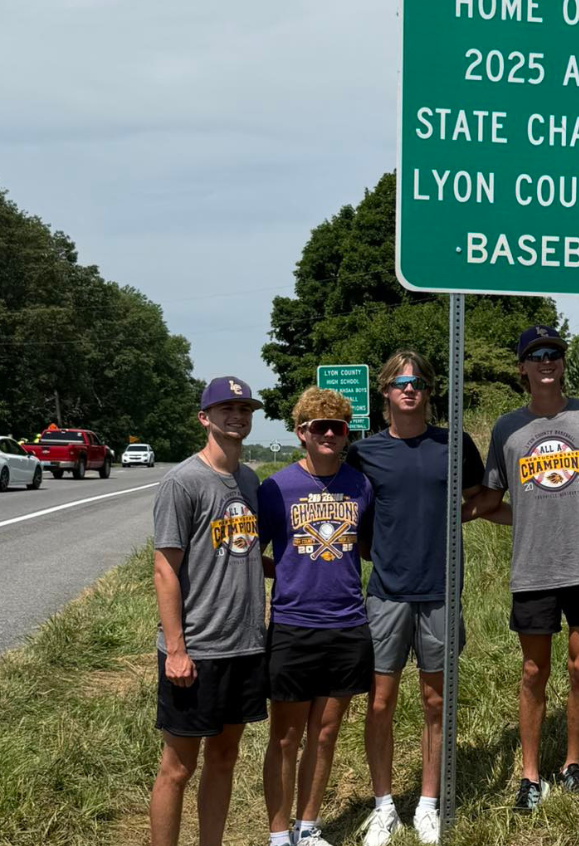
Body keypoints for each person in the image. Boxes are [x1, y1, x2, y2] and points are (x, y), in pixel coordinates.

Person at [466, 325, 579, 811]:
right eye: (536, 354)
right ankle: (530, 775)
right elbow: (491, 500)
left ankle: (573, 765)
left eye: (553, 353)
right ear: (522, 367)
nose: (546, 361)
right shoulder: (506, 429)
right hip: (534, 568)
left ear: (562, 362)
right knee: (534, 670)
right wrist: (444, 511)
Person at [345, 351, 499, 846]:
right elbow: (355, 521)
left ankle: (428, 803)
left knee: (436, 700)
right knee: (380, 702)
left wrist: (452, 519)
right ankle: (384, 805)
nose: (410, 389)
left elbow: (483, 497)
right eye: (400, 383)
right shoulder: (363, 453)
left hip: (440, 591)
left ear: (430, 391)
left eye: (418, 383)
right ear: (385, 392)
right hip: (386, 593)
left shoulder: (454, 444)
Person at [149, 377, 267, 846]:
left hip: (244, 644)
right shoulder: (183, 482)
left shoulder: (250, 480)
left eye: (245, 409)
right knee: (178, 767)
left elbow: (245, 552)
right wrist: (176, 650)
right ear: (205, 418)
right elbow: (165, 568)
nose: (237, 416)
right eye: (226, 408)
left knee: (224, 757)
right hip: (197, 649)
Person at [259, 387, 374, 846]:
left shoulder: (360, 485)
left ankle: (307, 828)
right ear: (301, 433)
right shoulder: (276, 489)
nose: (329, 434)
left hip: (347, 624)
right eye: (319, 427)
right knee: (285, 737)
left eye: (337, 427)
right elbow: (251, 552)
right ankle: (278, 834)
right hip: (293, 625)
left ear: (347, 434)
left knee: (325, 734)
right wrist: (285, 570)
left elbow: (367, 547)